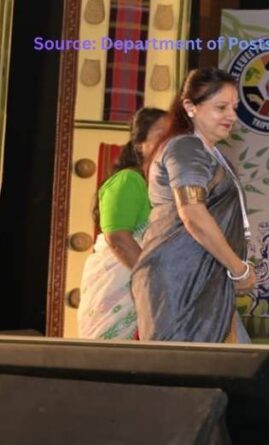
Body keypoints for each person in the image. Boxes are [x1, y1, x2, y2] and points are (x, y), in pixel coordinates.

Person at [132, 68, 255, 343]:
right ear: (190, 107)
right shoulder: (186, 147)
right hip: (180, 279)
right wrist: (238, 269)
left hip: (205, 275)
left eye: (234, 107)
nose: (232, 116)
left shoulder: (212, 153)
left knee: (226, 362)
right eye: (221, 107)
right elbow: (193, 214)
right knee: (185, 366)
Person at [78, 107, 167, 340]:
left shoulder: (166, 188)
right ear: (140, 145)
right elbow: (117, 238)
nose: (169, 142)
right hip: (123, 283)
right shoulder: (129, 179)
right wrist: (155, 282)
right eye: (161, 134)